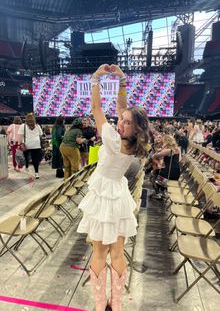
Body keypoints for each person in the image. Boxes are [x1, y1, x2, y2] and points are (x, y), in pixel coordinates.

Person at [77, 64, 149, 311]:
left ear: (135, 127)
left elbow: (96, 108)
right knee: (117, 253)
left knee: (98, 253)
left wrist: (96, 78)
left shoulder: (111, 138)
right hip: (118, 195)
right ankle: (115, 305)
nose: (121, 122)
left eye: (126, 122)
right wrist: (121, 80)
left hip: (103, 196)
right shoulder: (134, 143)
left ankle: (100, 306)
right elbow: (123, 110)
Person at [151, 135, 181, 199]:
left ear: (166, 142)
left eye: (163, 141)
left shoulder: (168, 150)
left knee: (155, 173)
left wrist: (162, 147)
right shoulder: (178, 149)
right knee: (160, 169)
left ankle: (158, 193)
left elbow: (154, 156)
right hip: (177, 172)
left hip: (169, 174)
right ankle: (163, 191)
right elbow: (179, 160)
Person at [18, 113, 43, 179]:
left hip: (27, 144)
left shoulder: (23, 126)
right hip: (36, 144)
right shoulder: (37, 126)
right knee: (35, 159)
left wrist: (20, 143)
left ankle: (26, 166)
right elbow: (41, 134)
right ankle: (36, 173)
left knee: (26, 156)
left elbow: (20, 135)